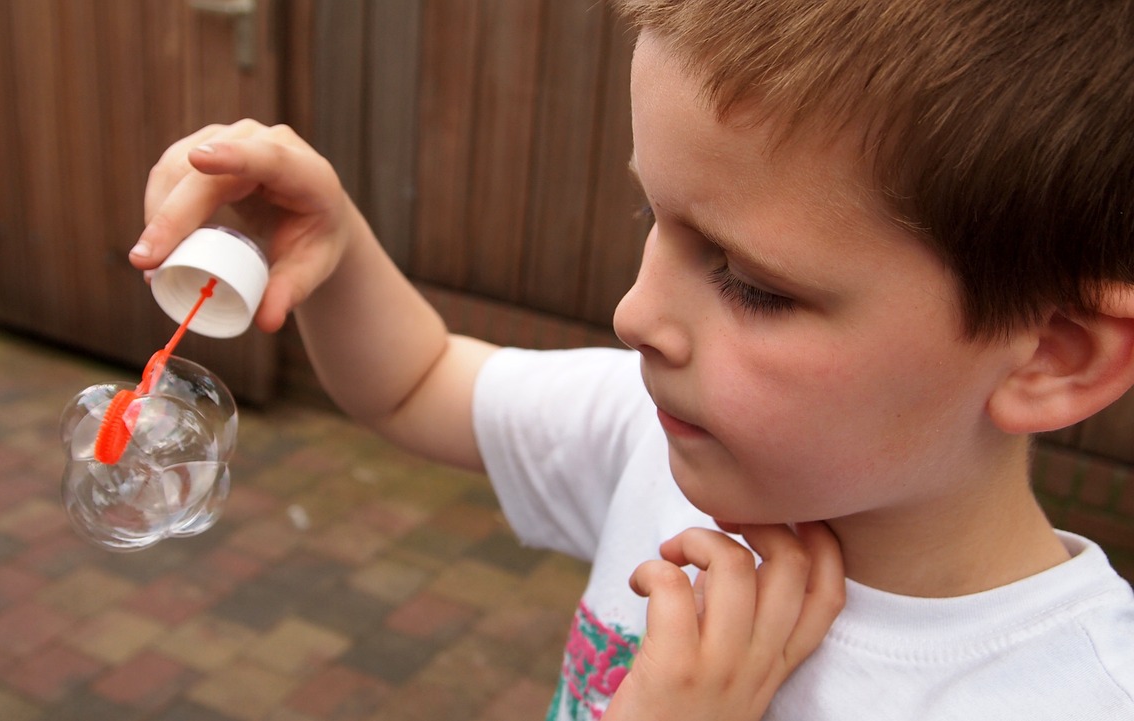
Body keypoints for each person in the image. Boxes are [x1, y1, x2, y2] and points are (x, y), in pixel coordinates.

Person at [129, 0, 1134, 718]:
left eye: (751, 283)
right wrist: (334, 243)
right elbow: (419, 380)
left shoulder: (1067, 694)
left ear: (1047, 356)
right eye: (651, 216)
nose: (631, 312)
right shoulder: (659, 439)